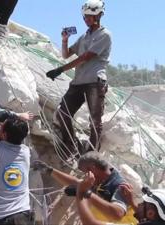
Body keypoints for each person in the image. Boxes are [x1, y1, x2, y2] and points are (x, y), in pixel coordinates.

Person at [46, 0, 111, 154]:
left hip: (94, 82)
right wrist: (64, 40)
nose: (86, 19)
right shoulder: (84, 37)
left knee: (95, 120)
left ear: (98, 15)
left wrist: (61, 69)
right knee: (63, 114)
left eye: (89, 16)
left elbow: (85, 57)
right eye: (85, 17)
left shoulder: (105, 35)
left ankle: (92, 152)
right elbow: (66, 54)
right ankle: (71, 145)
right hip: (78, 82)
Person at [32, 151, 138, 224]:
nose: (84, 175)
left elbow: (117, 214)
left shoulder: (119, 185)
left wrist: (86, 193)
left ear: (93, 168)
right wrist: (49, 170)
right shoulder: (100, 179)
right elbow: (77, 183)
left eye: (84, 172)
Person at [76, 173, 165, 225]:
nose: (140, 204)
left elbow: (89, 222)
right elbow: (143, 214)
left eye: (143, 203)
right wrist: (131, 201)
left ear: (150, 213)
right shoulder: (151, 221)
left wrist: (82, 191)